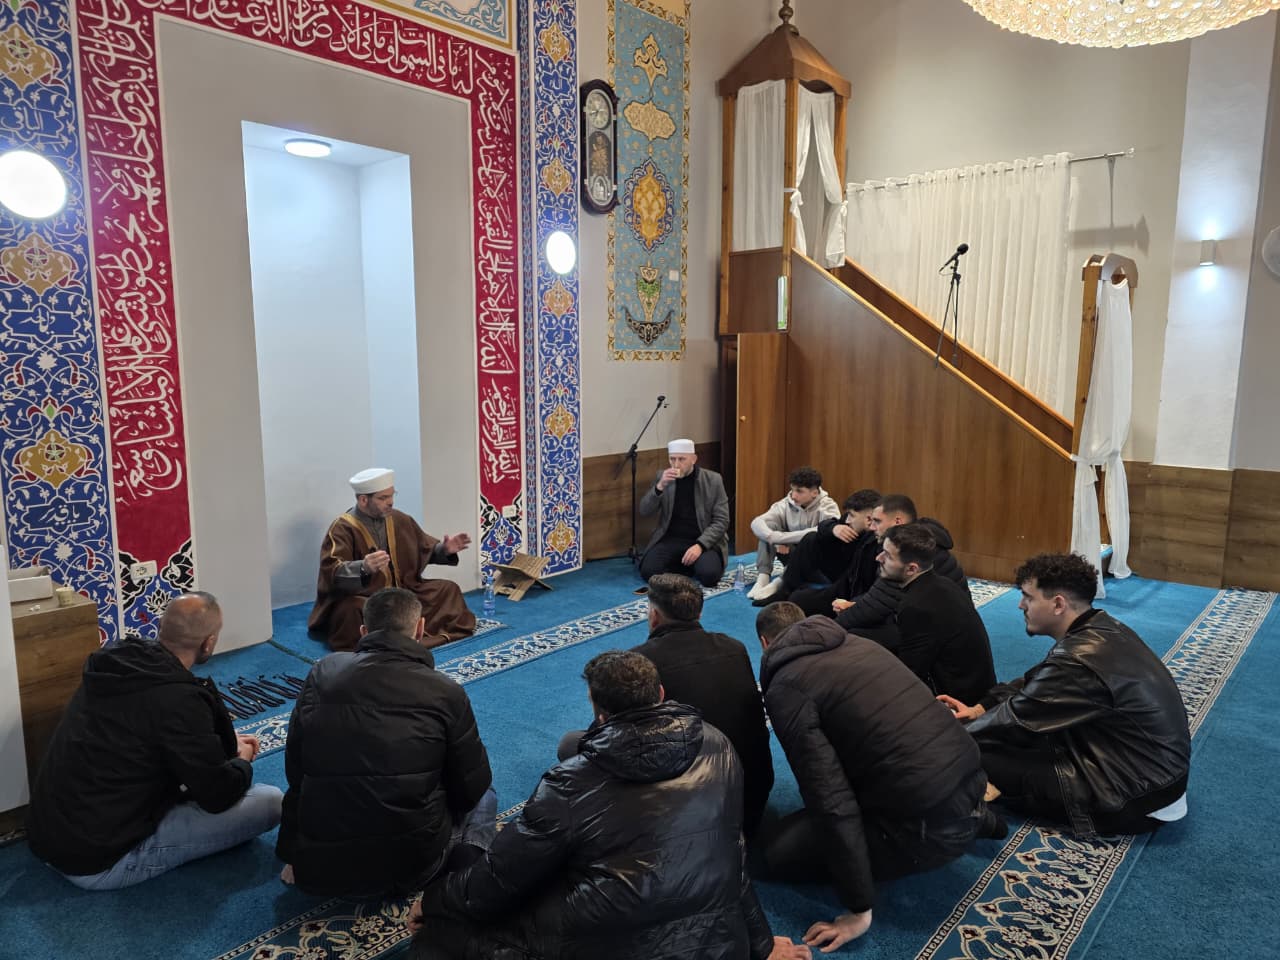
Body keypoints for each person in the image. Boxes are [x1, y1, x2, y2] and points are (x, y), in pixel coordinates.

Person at [409, 651, 811, 960]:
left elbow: (499, 879)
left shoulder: (571, 781)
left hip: (605, 941)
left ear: (598, 712)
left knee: (440, 934)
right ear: (660, 695)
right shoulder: (716, 744)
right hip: (714, 941)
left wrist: (434, 900)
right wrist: (760, 944)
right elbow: (731, 854)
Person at [755, 603, 1002, 951]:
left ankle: (951, 830)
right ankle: (980, 821)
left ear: (765, 644)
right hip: (971, 783)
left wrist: (859, 908)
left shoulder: (787, 687)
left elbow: (828, 795)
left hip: (928, 829)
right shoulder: (861, 645)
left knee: (774, 854)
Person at [25, 593, 282, 890]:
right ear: (209, 642)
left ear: (161, 626)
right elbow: (218, 795)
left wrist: (213, 743)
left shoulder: (116, 659)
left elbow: (145, 732)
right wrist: (243, 760)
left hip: (47, 835)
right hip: (97, 860)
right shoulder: (179, 701)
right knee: (270, 802)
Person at [939, 553, 1191, 837]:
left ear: (1058, 604)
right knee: (987, 741)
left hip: (1131, 796)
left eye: (1028, 597)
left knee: (969, 753)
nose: (1021, 605)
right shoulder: (1101, 628)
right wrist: (979, 709)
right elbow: (1035, 682)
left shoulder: (1078, 659)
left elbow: (1016, 719)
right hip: (1152, 776)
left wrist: (946, 737)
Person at [278, 587, 496, 899]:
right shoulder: (445, 691)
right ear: (420, 629)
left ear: (363, 632)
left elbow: (296, 772)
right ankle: (466, 868)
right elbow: (470, 788)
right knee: (485, 792)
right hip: (412, 869)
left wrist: (291, 850)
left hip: (323, 866)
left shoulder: (322, 672)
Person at [629, 573, 773, 835]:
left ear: (654, 615)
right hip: (753, 797)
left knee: (575, 746)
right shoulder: (734, 647)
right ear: (699, 613)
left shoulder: (641, 662)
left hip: (691, 815)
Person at [309, 467, 476, 651]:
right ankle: (382, 645)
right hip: (367, 596)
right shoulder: (342, 528)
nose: (390, 502)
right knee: (352, 610)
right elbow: (332, 571)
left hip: (404, 589)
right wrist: (363, 567)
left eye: (391, 495)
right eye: (383, 498)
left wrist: (444, 549)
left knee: (448, 589)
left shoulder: (399, 519)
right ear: (363, 500)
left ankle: (417, 636)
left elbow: (424, 548)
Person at [868, 522, 996, 704]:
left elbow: (910, 673)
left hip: (958, 702)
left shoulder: (917, 606)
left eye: (887, 556)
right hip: (977, 687)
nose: (878, 558)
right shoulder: (941, 584)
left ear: (911, 569)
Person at [830, 495, 969, 637]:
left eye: (877, 521)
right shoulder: (905, 542)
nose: (871, 527)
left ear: (897, 522)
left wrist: (830, 630)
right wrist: (853, 605)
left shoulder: (913, 549)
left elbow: (879, 601)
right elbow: (879, 596)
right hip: (920, 618)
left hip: (941, 630)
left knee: (852, 636)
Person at [638, 438, 730, 587]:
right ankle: (687, 565)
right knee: (649, 571)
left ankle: (689, 564)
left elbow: (722, 520)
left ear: (693, 459)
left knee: (709, 576)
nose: (676, 464)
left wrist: (700, 545)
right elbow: (644, 510)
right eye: (672, 459)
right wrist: (659, 486)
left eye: (682, 459)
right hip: (671, 538)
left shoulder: (713, 480)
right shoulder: (663, 477)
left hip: (702, 539)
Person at [773, 489, 883, 614]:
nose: (847, 520)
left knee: (797, 599)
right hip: (842, 575)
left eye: (852, 515)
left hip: (849, 593)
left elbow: (852, 586)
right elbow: (824, 526)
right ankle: (785, 590)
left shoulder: (876, 544)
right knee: (810, 539)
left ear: (868, 519)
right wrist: (834, 528)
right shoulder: (851, 524)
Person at [746, 466, 839, 600]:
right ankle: (763, 578)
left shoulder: (828, 506)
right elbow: (757, 522)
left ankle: (779, 583)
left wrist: (782, 538)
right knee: (769, 526)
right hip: (790, 554)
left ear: (814, 493)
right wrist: (773, 538)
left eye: (799, 491)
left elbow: (819, 533)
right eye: (792, 489)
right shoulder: (786, 503)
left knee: (812, 539)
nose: (793, 495)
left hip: (817, 565)